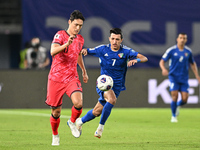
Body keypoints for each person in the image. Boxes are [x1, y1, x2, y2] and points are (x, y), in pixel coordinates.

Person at [76, 28, 148, 138]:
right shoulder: (102, 49)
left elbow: (144, 58)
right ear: (109, 39)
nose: (115, 42)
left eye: (117, 39)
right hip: (104, 83)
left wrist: (136, 60)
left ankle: (79, 122)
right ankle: (100, 129)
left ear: (121, 40)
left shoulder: (126, 51)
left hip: (117, 86)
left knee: (97, 112)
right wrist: (85, 51)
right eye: (113, 39)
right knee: (112, 99)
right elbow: (85, 51)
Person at [45, 10, 88, 146]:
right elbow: (53, 51)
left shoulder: (80, 39)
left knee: (79, 103)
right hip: (56, 78)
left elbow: (78, 55)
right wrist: (66, 44)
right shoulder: (60, 35)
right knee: (56, 112)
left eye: (80, 26)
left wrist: (83, 71)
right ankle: (55, 135)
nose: (78, 28)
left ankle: (72, 121)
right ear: (69, 22)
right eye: (76, 25)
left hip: (71, 77)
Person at [159, 33, 200, 123]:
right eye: (180, 38)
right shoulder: (171, 50)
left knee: (185, 99)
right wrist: (163, 69)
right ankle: (173, 116)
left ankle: (177, 105)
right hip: (173, 77)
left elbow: (193, 64)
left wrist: (197, 76)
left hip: (184, 78)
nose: (182, 40)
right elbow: (162, 61)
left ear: (186, 40)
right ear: (177, 39)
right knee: (174, 96)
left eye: (184, 38)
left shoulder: (188, 52)